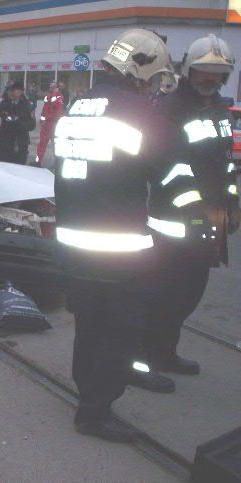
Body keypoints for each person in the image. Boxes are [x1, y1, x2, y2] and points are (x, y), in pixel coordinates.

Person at [54, 28, 173, 442]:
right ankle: (95, 412)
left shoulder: (78, 104)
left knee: (89, 328)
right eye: (153, 78)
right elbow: (162, 169)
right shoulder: (139, 111)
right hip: (117, 248)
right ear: (141, 71)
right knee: (119, 331)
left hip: (75, 241)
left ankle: (90, 396)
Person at [130, 34, 239, 393]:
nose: (211, 79)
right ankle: (140, 362)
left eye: (218, 73)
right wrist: (195, 212)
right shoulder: (170, 108)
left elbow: (226, 164)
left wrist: (232, 203)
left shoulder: (219, 109)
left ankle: (165, 353)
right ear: (189, 70)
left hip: (207, 223)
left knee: (188, 295)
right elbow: (168, 168)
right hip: (174, 224)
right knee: (159, 296)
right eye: (205, 71)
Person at [35, 82, 65, 166]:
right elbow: (44, 108)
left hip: (54, 123)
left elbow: (55, 106)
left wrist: (54, 93)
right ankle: (38, 161)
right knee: (42, 143)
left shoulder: (59, 97)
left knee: (55, 144)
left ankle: (57, 163)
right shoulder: (48, 97)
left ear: (57, 88)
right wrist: (42, 119)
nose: (50, 89)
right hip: (47, 124)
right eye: (50, 87)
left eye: (53, 87)